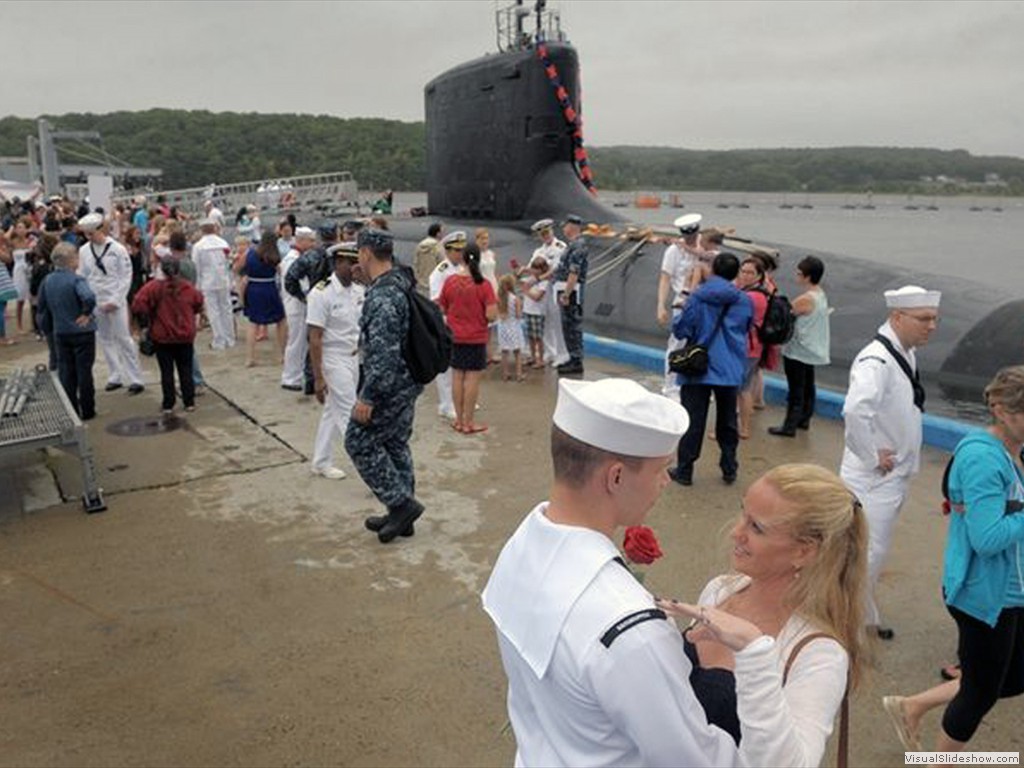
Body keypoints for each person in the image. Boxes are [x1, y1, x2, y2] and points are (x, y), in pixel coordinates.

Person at [482, 377, 818, 767]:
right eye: (661, 469)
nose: (665, 481)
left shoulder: (522, 544)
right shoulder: (629, 628)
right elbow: (693, 759)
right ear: (617, 477)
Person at [658, 463, 866, 764]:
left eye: (756, 527)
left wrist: (753, 655)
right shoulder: (720, 591)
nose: (735, 532)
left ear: (804, 552)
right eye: (743, 514)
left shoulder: (820, 655)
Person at [882, 365, 1024, 754]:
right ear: (999, 409)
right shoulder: (983, 460)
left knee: (1009, 678)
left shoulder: (1012, 452)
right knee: (980, 694)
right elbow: (988, 538)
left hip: (1010, 588)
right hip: (984, 595)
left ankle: (912, 705)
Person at [841, 285, 941, 640]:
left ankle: (863, 613)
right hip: (874, 476)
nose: (932, 326)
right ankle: (848, 622)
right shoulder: (877, 360)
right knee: (867, 550)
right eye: (924, 319)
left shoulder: (904, 353)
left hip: (892, 473)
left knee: (871, 549)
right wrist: (870, 454)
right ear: (898, 317)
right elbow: (855, 410)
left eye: (934, 319)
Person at [345, 229, 425, 544]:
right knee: (394, 444)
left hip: (390, 386)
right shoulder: (399, 283)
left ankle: (401, 504)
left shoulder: (382, 297)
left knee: (358, 441)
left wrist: (368, 397)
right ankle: (401, 518)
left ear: (365, 253)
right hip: (408, 381)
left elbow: (383, 354)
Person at [669, 252, 753, 487]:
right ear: (736, 273)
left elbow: (683, 328)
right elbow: (746, 327)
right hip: (730, 367)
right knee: (727, 421)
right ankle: (729, 467)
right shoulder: (744, 300)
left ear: (713, 270)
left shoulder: (698, 297)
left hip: (699, 365)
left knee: (693, 419)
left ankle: (685, 470)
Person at [307, 242, 364, 480]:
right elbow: (315, 338)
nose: (354, 268)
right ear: (338, 262)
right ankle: (372, 472)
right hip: (332, 360)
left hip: (353, 358)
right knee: (350, 416)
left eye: (356, 263)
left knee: (332, 412)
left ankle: (321, 461)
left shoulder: (359, 290)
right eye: (350, 263)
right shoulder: (321, 293)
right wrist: (318, 377)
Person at [76, 213, 145, 395]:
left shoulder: (117, 249)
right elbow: (82, 275)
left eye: (92, 233)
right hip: (96, 300)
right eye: (86, 234)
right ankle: (115, 375)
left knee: (124, 339)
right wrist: (86, 300)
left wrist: (116, 300)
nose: (89, 238)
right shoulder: (84, 251)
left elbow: (125, 276)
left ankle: (135, 378)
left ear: (101, 230)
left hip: (116, 300)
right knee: (105, 339)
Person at [132, 256, 204, 415]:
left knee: (166, 371)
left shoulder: (153, 288)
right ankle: (189, 401)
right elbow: (199, 302)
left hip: (162, 335)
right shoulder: (188, 288)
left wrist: (147, 317)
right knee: (186, 369)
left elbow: (138, 304)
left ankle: (168, 403)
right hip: (184, 335)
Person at [438, 242, 498, 433]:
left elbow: (442, 307)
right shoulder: (484, 285)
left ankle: (458, 419)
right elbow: (491, 315)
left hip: (455, 337)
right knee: (472, 379)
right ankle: (468, 422)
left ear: (463, 259)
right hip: (476, 337)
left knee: (457, 377)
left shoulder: (450, 282)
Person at [770, 256, 831, 437]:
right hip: (811, 348)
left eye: (799, 273)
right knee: (807, 385)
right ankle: (804, 418)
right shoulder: (820, 294)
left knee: (796, 388)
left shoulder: (805, 299)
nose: (796, 276)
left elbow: (787, 314)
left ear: (807, 276)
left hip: (799, 349)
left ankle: (789, 424)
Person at [36, 243, 97, 420]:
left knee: (66, 372)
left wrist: (47, 329)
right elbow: (89, 296)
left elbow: (41, 308)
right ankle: (88, 409)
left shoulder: (47, 281)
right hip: (81, 331)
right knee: (84, 371)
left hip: (61, 332)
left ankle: (72, 410)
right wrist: (86, 313)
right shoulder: (76, 279)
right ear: (71, 260)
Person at [657, 213, 703, 398]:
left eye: (692, 235)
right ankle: (671, 388)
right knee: (677, 346)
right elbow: (665, 278)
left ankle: (698, 385)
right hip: (682, 302)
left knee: (701, 345)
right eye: (686, 235)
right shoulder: (673, 251)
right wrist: (660, 305)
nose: (689, 238)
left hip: (704, 304)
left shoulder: (705, 247)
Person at [429, 230, 466, 421]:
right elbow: (436, 301)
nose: (460, 254)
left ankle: (460, 400)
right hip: (445, 322)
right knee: (446, 367)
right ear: (448, 250)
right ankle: (446, 404)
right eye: (457, 251)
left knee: (460, 363)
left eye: (462, 250)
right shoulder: (440, 272)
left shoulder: (462, 269)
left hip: (460, 321)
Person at [238, 231, 286, 368]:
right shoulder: (275, 256)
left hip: (253, 288)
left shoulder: (250, 253)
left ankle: (250, 357)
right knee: (281, 320)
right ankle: (282, 354)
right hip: (269, 287)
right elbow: (281, 271)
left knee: (253, 323)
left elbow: (238, 268)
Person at [279, 227, 317, 391]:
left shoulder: (297, 257)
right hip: (296, 305)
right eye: (311, 241)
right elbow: (295, 284)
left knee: (299, 342)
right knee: (297, 342)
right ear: (301, 241)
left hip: (298, 305)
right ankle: (291, 377)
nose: (313, 244)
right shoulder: (292, 260)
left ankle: (295, 375)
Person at [735, 256, 769, 440]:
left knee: (738, 390)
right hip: (754, 347)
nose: (746, 276)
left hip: (746, 348)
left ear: (759, 276)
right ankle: (744, 428)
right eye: (744, 271)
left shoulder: (750, 297)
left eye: (751, 273)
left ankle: (737, 427)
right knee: (745, 388)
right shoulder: (761, 294)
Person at [553, 214, 589, 376]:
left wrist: (566, 293)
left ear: (572, 226)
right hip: (566, 289)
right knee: (567, 326)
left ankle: (576, 360)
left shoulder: (578, 246)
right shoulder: (573, 245)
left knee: (572, 325)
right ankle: (572, 357)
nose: (563, 228)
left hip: (571, 291)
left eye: (565, 225)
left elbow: (574, 272)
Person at [529, 218, 568, 367]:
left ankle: (561, 354)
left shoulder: (560, 247)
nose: (545, 236)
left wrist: (537, 278)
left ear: (552, 231)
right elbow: (532, 268)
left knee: (557, 322)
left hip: (556, 288)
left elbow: (556, 268)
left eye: (547, 232)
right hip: (543, 289)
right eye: (542, 234)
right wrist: (522, 273)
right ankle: (549, 352)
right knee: (545, 322)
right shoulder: (539, 251)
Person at [192, 217, 235, 350]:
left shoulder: (198, 246)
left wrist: (197, 285)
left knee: (213, 311)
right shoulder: (223, 243)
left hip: (208, 281)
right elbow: (229, 262)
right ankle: (230, 338)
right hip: (223, 279)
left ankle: (219, 340)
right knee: (226, 309)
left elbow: (196, 266)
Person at [519, 256, 549, 369]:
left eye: (536, 269)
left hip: (537, 312)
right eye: (533, 269)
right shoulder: (531, 278)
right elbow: (518, 279)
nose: (534, 271)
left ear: (542, 270)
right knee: (530, 336)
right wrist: (521, 270)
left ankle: (540, 359)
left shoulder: (543, 282)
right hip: (528, 310)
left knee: (538, 337)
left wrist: (526, 290)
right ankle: (532, 357)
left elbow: (538, 297)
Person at [496, 274, 525, 382]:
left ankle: (505, 374)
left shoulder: (498, 299)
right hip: (514, 326)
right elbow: (518, 314)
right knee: (517, 352)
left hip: (503, 327)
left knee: (504, 352)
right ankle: (519, 374)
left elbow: (497, 313)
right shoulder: (515, 299)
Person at [413, 221, 443, 289]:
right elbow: (442, 265)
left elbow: (416, 263)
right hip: (435, 284)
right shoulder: (438, 247)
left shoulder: (419, 246)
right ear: (438, 234)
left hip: (421, 283)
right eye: (441, 232)